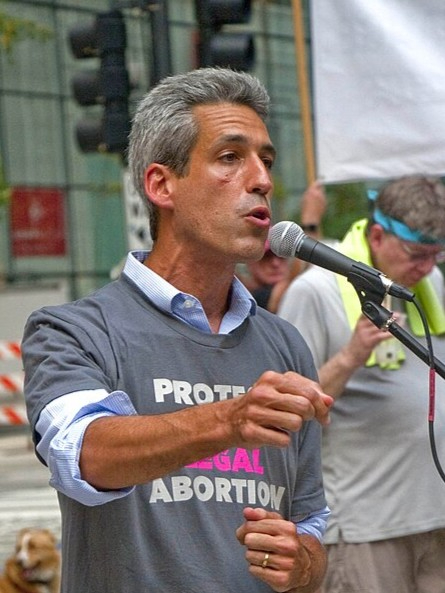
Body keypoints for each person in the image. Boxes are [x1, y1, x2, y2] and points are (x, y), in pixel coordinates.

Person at [21, 67, 333, 593]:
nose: (261, 179)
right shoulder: (73, 330)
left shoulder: (284, 344)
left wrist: (301, 564)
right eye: (230, 157)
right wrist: (231, 418)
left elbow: (310, 525)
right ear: (161, 184)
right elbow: (84, 455)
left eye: (267, 160)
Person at [278, 175, 445, 593]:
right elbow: (286, 409)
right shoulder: (314, 291)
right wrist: (351, 356)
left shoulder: (430, 281)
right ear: (377, 235)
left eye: (437, 255)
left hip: (435, 516)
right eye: (417, 254)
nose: (427, 268)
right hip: (365, 527)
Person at [239, 181, 328, 313]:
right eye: (267, 257)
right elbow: (288, 289)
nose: (275, 263)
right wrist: (310, 221)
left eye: (281, 256)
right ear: (251, 262)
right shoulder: (250, 298)